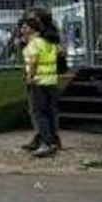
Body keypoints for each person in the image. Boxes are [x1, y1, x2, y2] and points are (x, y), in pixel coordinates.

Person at [19, 15, 65, 158]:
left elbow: (33, 61)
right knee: (50, 112)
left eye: (24, 27)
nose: (21, 30)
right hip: (51, 81)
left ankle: (46, 143)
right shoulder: (49, 42)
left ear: (32, 29)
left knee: (38, 113)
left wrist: (30, 77)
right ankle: (53, 140)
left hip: (38, 82)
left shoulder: (34, 44)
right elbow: (61, 53)